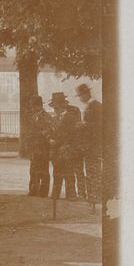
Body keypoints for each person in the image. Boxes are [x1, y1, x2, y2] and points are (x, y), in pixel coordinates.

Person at [48, 91, 82, 204]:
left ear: (62, 106)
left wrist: (57, 141)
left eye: (56, 107)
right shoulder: (53, 119)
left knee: (69, 173)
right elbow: (50, 132)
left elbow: (73, 135)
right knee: (57, 172)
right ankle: (55, 194)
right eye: (54, 107)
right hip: (56, 151)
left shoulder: (71, 118)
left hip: (67, 149)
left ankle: (71, 195)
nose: (55, 109)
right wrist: (49, 139)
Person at [76, 82, 105, 210]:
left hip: (93, 145)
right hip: (90, 145)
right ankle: (94, 195)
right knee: (92, 170)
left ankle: (96, 196)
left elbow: (99, 126)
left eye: (81, 96)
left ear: (86, 94)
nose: (80, 98)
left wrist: (84, 125)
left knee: (93, 170)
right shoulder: (92, 105)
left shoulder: (95, 106)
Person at [26, 98, 54, 197]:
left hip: (43, 148)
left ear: (38, 106)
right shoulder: (34, 117)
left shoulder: (46, 117)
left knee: (43, 170)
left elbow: (48, 132)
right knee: (33, 170)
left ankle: (43, 192)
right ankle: (33, 190)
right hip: (35, 148)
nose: (32, 108)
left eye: (33, 106)